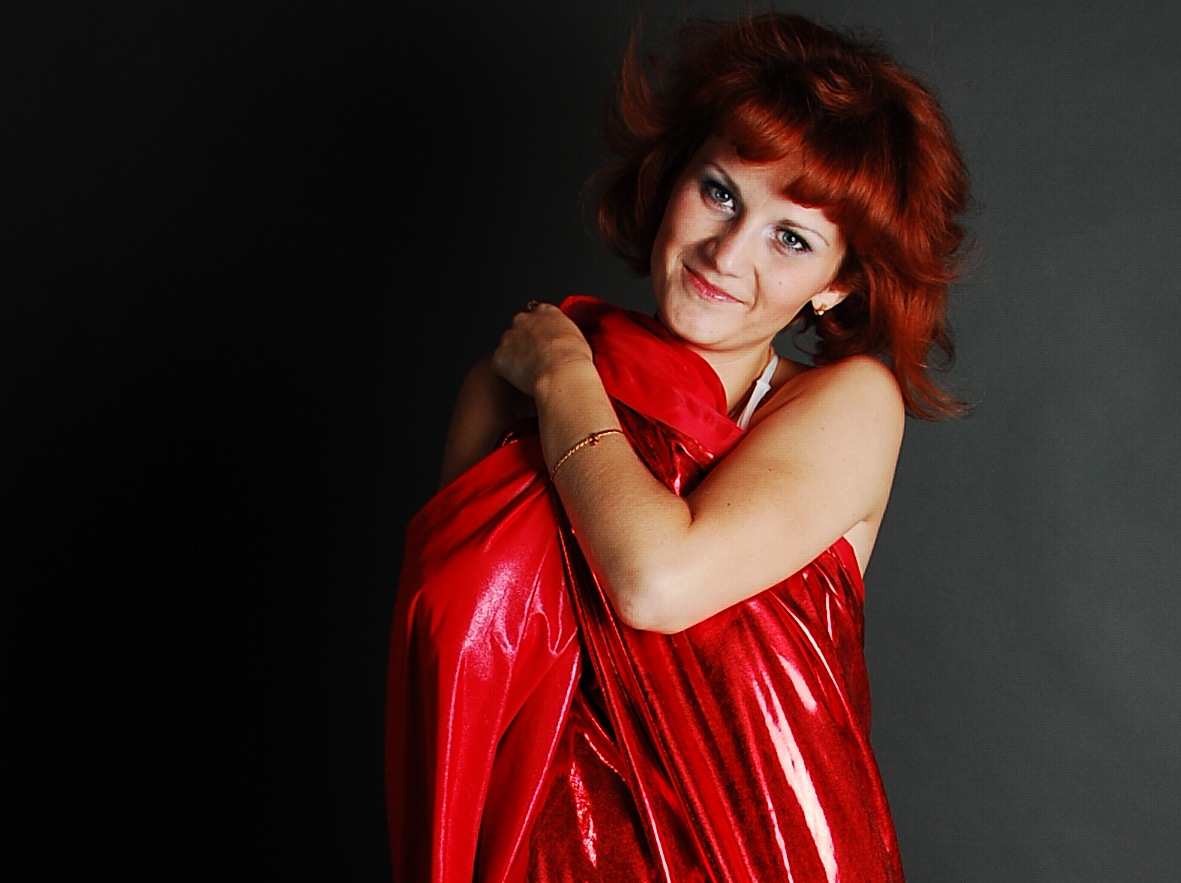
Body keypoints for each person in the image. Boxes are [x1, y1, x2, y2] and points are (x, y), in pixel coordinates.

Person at [387, 11, 968, 882]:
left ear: (836, 283)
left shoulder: (845, 404)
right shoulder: (502, 394)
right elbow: (447, 690)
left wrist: (566, 378)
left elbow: (655, 580)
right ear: (675, 177)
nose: (727, 253)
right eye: (721, 192)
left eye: (791, 237)